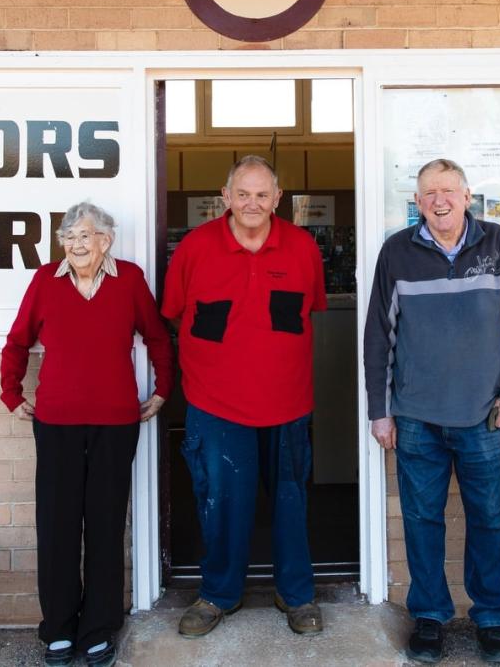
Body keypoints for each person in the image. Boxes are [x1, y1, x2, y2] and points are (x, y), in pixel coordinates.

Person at [363, 159, 500, 665]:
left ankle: (490, 615)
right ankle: (430, 616)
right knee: (422, 519)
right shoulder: (398, 252)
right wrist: (381, 410)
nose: (438, 201)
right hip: (416, 416)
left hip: (486, 416)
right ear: (416, 203)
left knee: (490, 519)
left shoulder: (498, 245)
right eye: (427, 194)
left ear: (467, 196)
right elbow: (378, 336)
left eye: (447, 191)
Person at [0, 202, 173, 667]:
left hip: (116, 423)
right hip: (55, 423)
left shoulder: (130, 280)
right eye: (69, 236)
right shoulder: (44, 281)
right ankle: (58, 628)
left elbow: (157, 336)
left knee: (104, 525)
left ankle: (97, 628)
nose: (77, 244)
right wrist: (11, 394)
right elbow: (17, 341)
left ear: (106, 240)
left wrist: (162, 391)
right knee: (57, 526)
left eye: (87, 235)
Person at [162, 155, 327, 638]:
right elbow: (173, 313)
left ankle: (296, 595)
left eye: (262, 194)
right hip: (216, 406)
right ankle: (218, 594)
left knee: (291, 504)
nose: (251, 203)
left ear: (277, 199)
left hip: (288, 404)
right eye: (242, 193)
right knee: (220, 503)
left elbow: (309, 311)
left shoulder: (302, 248)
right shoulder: (195, 248)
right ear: (225, 197)